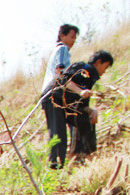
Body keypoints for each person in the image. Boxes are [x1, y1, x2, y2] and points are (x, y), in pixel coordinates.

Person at [50, 50, 114, 163]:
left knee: (88, 119)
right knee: (79, 118)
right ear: (99, 62)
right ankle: (74, 155)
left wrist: (91, 111)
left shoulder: (92, 77)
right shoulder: (82, 67)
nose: (105, 71)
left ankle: (88, 155)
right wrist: (80, 92)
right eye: (106, 66)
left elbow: (83, 104)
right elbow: (64, 80)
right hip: (59, 102)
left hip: (74, 107)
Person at [40, 24, 79, 169]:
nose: (74, 40)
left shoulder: (60, 50)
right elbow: (61, 70)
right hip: (53, 92)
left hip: (54, 93)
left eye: (75, 38)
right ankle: (55, 163)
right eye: (72, 36)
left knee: (57, 128)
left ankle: (58, 162)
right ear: (62, 35)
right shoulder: (62, 49)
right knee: (58, 129)